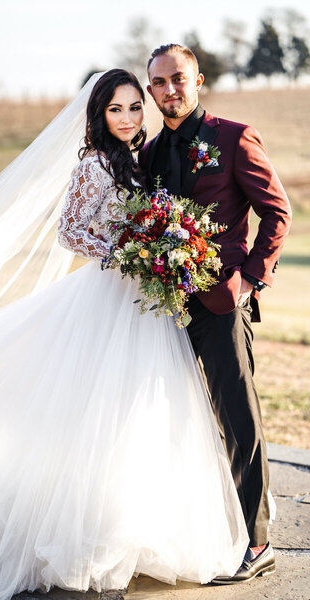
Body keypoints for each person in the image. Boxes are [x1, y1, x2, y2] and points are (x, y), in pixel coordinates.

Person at [0, 69, 249, 600]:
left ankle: (134, 526)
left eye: (136, 107)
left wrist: (158, 249)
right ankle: (83, 533)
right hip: (108, 299)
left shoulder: (141, 158)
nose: (129, 117)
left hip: (145, 305)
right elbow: (71, 229)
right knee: (97, 413)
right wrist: (130, 252)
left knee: (144, 412)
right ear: (99, 114)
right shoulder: (93, 163)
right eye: (116, 109)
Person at [139, 44, 292, 584]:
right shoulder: (151, 152)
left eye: (178, 78)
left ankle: (258, 540)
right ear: (151, 89)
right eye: (159, 82)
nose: (169, 89)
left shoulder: (233, 137)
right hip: (165, 307)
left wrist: (251, 279)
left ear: (198, 79)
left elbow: (277, 211)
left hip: (222, 303)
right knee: (171, 418)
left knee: (237, 417)